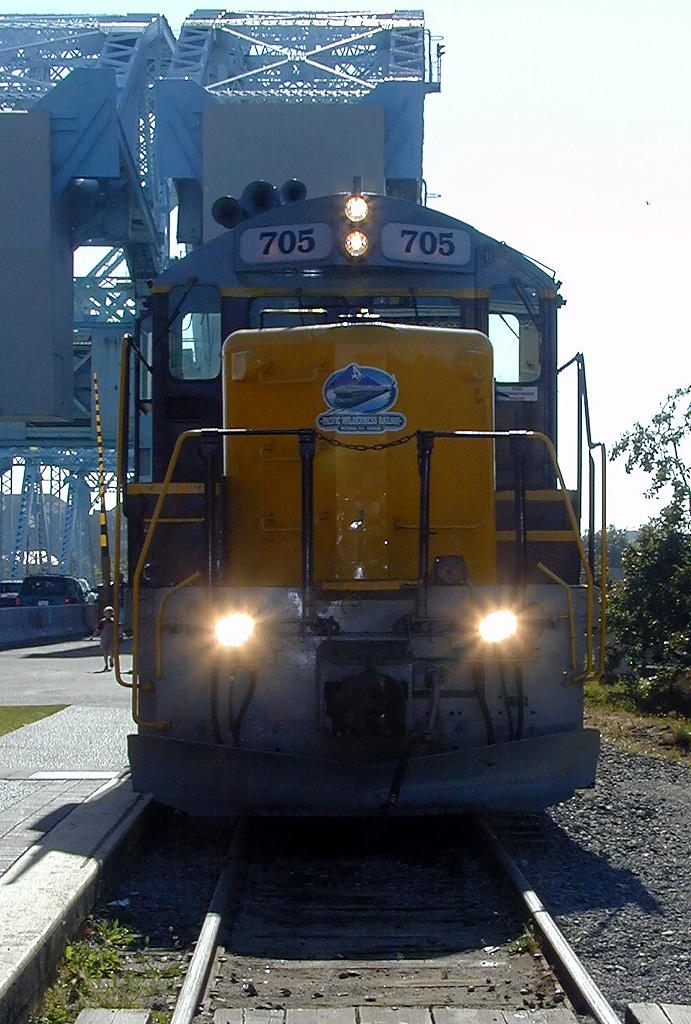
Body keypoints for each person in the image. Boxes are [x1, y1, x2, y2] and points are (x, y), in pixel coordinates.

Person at [98, 605, 115, 671]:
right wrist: (93, 636)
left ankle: (111, 659)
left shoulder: (114, 621)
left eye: (110, 613)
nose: (108, 614)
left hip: (112, 637)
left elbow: (118, 628)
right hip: (104, 637)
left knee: (112, 650)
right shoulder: (102, 622)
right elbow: (98, 629)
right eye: (107, 613)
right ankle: (106, 665)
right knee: (105, 651)